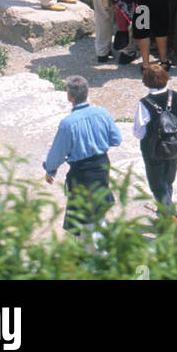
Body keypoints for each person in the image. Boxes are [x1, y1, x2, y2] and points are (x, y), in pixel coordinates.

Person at [43, 75, 121, 235]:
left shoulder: (68, 123)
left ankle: (98, 253)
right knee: (98, 208)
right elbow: (116, 139)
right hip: (101, 166)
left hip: (82, 172)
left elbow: (57, 153)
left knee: (85, 218)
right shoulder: (102, 113)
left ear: (69, 96)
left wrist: (50, 170)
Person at [133, 62, 177, 210]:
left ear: (145, 80)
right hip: (174, 146)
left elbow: (138, 132)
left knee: (157, 185)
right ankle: (164, 213)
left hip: (153, 150)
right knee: (168, 180)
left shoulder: (144, 103)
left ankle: (170, 216)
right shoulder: (176, 97)